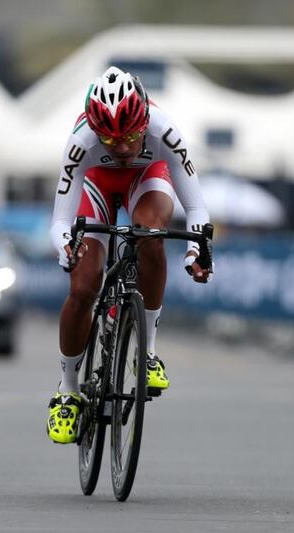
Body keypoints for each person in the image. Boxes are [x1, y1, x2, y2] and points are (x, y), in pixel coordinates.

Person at [47, 66, 212, 444]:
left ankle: (148, 352)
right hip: (95, 186)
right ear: (94, 129)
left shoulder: (165, 130)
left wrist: (195, 250)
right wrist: (67, 247)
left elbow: (197, 210)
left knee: (151, 235)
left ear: (144, 122)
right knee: (84, 287)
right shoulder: (80, 140)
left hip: (147, 179)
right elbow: (59, 221)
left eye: (131, 137)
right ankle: (68, 390)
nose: (121, 149)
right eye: (109, 139)